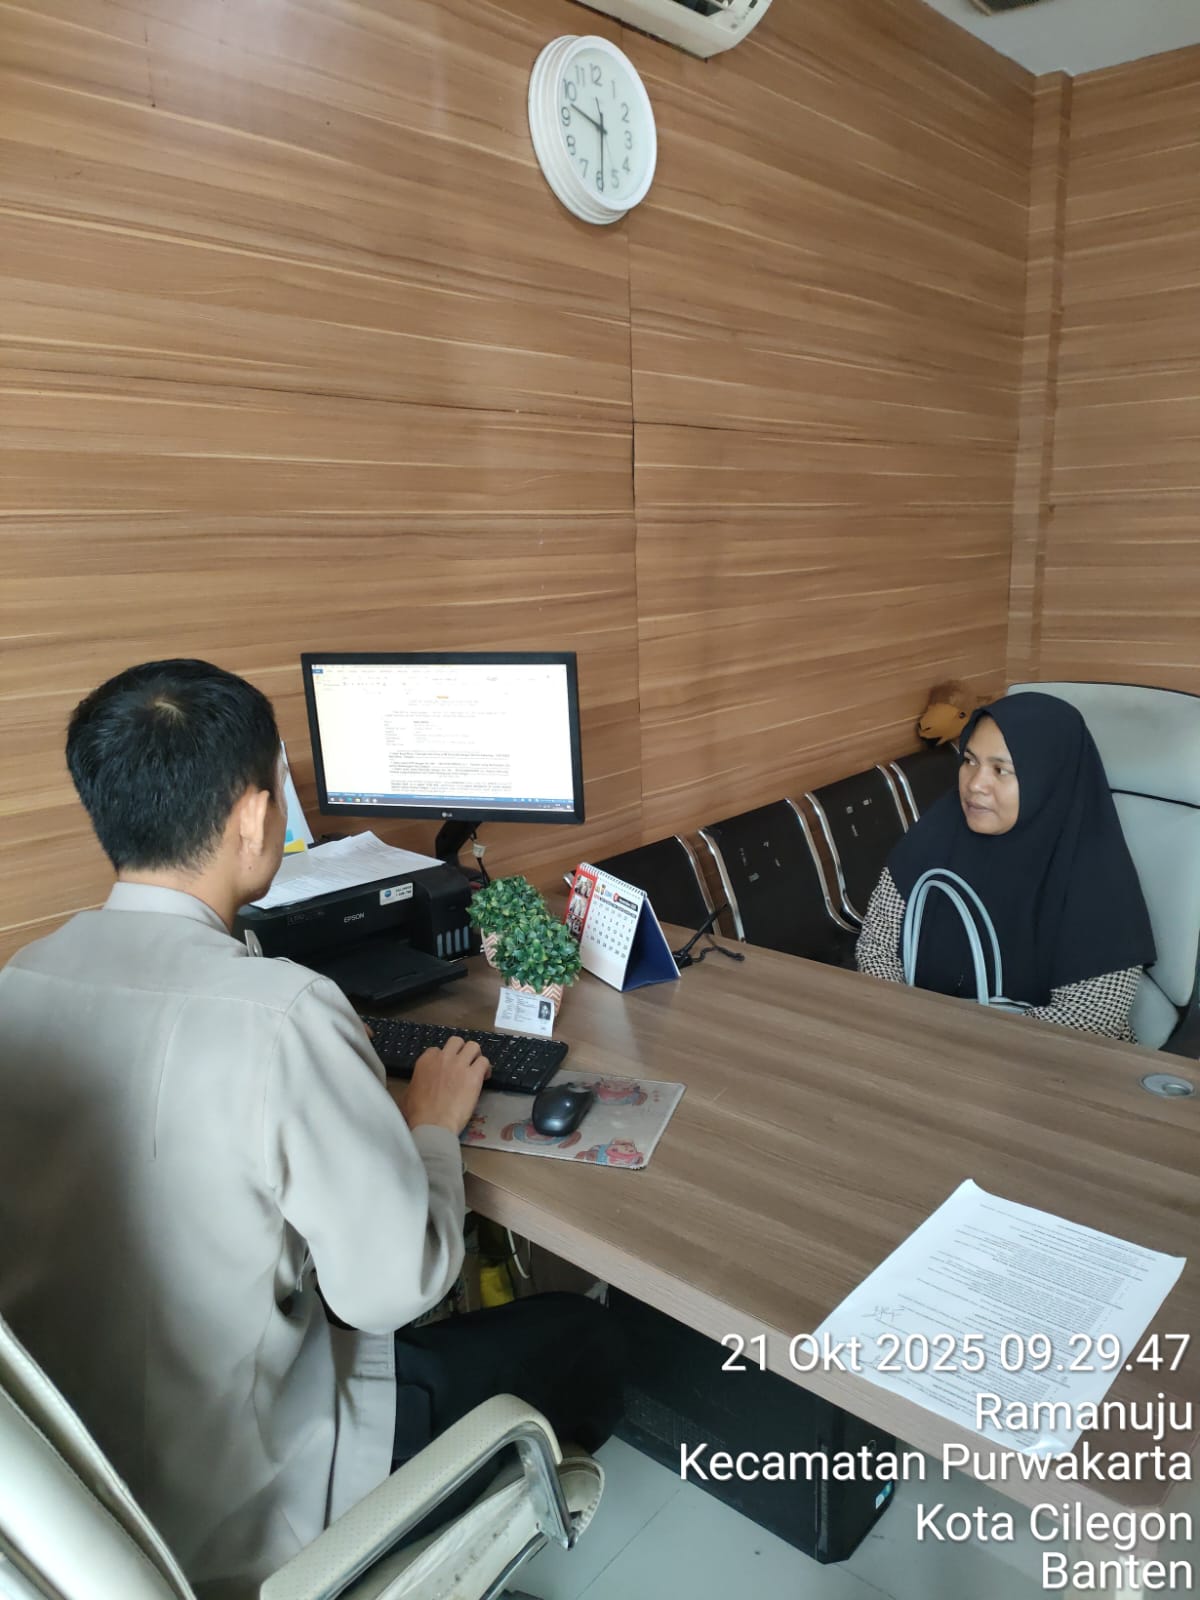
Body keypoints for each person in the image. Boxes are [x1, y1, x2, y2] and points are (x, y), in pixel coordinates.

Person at [0, 660, 623, 1598]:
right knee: (587, 1339)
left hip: (81, 1490)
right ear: (257, 818)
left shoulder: (19, 983)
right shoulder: (282, 1013)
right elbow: (388, 1294)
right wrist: (429, 1126)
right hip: (254, 1500)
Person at [856, 692, 1155, 1040]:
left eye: (1001, 770)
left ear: (1048, 779)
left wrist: (962, 1038)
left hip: (1043, 1059)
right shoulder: (935, 835)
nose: (975, 784)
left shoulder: (1097, 877)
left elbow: (1090, 1017)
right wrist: (907, 1022)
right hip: (918, 1038)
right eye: (970, 761)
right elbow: (876, 947)